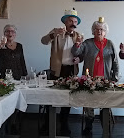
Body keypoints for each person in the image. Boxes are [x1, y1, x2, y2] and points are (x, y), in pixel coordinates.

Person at [71, 17, 119, 135]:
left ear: (105, 31)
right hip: (89, 80)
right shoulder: (87, 43)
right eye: (97, 29)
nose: (99, 32)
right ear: (93, 31)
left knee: (105, 103)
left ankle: (105, 127)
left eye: (102, 29)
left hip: (105, 79)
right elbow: (75, 52)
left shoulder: (110, 44)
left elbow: (115, 62)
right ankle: (88, 126)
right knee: (89, 103)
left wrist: (115, 77)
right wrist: (77, 45)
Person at [41, 8, 82, 136]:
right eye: (70, 20)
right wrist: (54, 34)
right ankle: (47, 124)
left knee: (68, 98)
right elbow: (43, 41)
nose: (73, 23)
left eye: (75, 21)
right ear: (65, 22)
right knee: (51, 97)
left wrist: (79, 58)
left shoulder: (79, 36)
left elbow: (82, 53)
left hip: (71, 70)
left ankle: (64, 123)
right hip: (57, 70)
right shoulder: (56, 32)